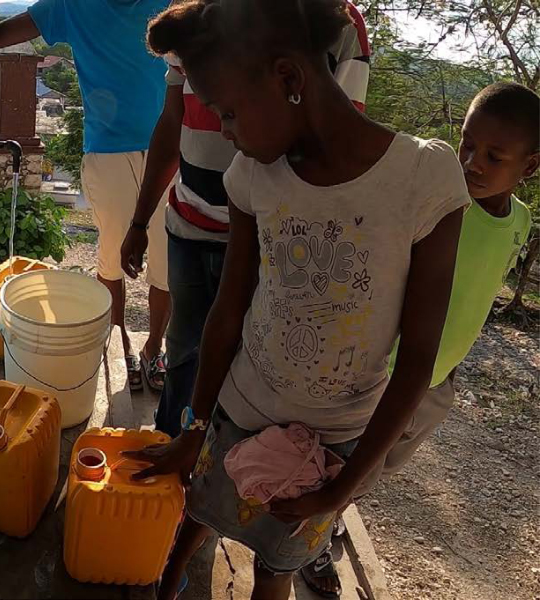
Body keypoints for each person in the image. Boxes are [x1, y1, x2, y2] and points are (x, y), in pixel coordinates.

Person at [123, 1, 470, 599]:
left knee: (276, 564)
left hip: (331, 443)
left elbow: (417, 358)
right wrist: (198, 426)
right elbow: (226, 313)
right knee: (199, 515)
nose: (225, 132)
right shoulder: (254, 177)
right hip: (240, 408)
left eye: (228, 112)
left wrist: (344, 487)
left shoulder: (424, 181)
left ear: (287, 79)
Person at [303, 81, 540, 597]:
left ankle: (326, 518)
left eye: (493, 155)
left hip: (436, 381)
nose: (472, 161)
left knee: (377, 467)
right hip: (385, 372)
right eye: (467, 143)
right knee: (344, 462)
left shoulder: (519, 221)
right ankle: (306, 542)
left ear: (529, 167)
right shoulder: (435, 200)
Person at [122, 0, 371, 436]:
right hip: (188, 225)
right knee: (185, 352)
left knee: (248, 362)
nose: (223, 129)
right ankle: (172, 446)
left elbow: (338, 134)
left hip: (269, 240)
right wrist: (140, 220)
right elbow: (172, 122)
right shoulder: (193, 23)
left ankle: (216, 462)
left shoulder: (331, 21)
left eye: (229, 114)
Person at [0, 0, 172, 390]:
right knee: (112, 256)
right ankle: (120, 347)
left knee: (165, 262)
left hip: (171, 148)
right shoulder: (72, 6)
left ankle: (154, 349)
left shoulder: (171, 4)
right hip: (108, 152)